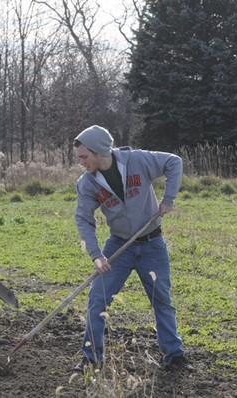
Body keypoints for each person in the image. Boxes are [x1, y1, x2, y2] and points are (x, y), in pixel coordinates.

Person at [72, 125, 189, 371]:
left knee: (162, 299)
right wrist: (96, 255)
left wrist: (169, 199)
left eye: (84, 157)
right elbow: (84, 219)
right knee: (97, 299)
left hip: (152, 243)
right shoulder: (88, 183)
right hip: (119, 246)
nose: (81, 162)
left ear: (99, 151)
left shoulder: (137, 160)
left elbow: (174, 162)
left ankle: (174, 355)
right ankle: (91, 358)